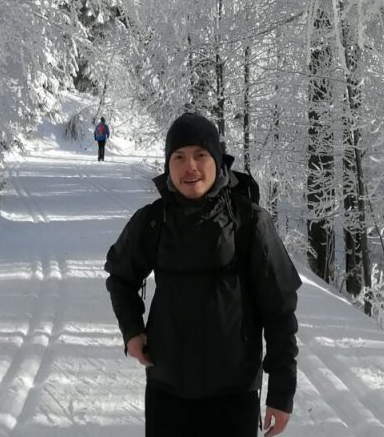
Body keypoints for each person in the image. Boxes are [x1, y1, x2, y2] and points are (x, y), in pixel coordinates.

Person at [105, 112, 299, 437]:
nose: (189, 166)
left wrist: (281, 393)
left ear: (218, 160)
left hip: (234, 394)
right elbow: (120, 278)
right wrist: (132, 331)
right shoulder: (153, 221)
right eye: (178, 157)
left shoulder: (249, 222)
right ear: (168, 165)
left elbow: (280, 311)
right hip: (167, 389)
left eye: (200, 155)